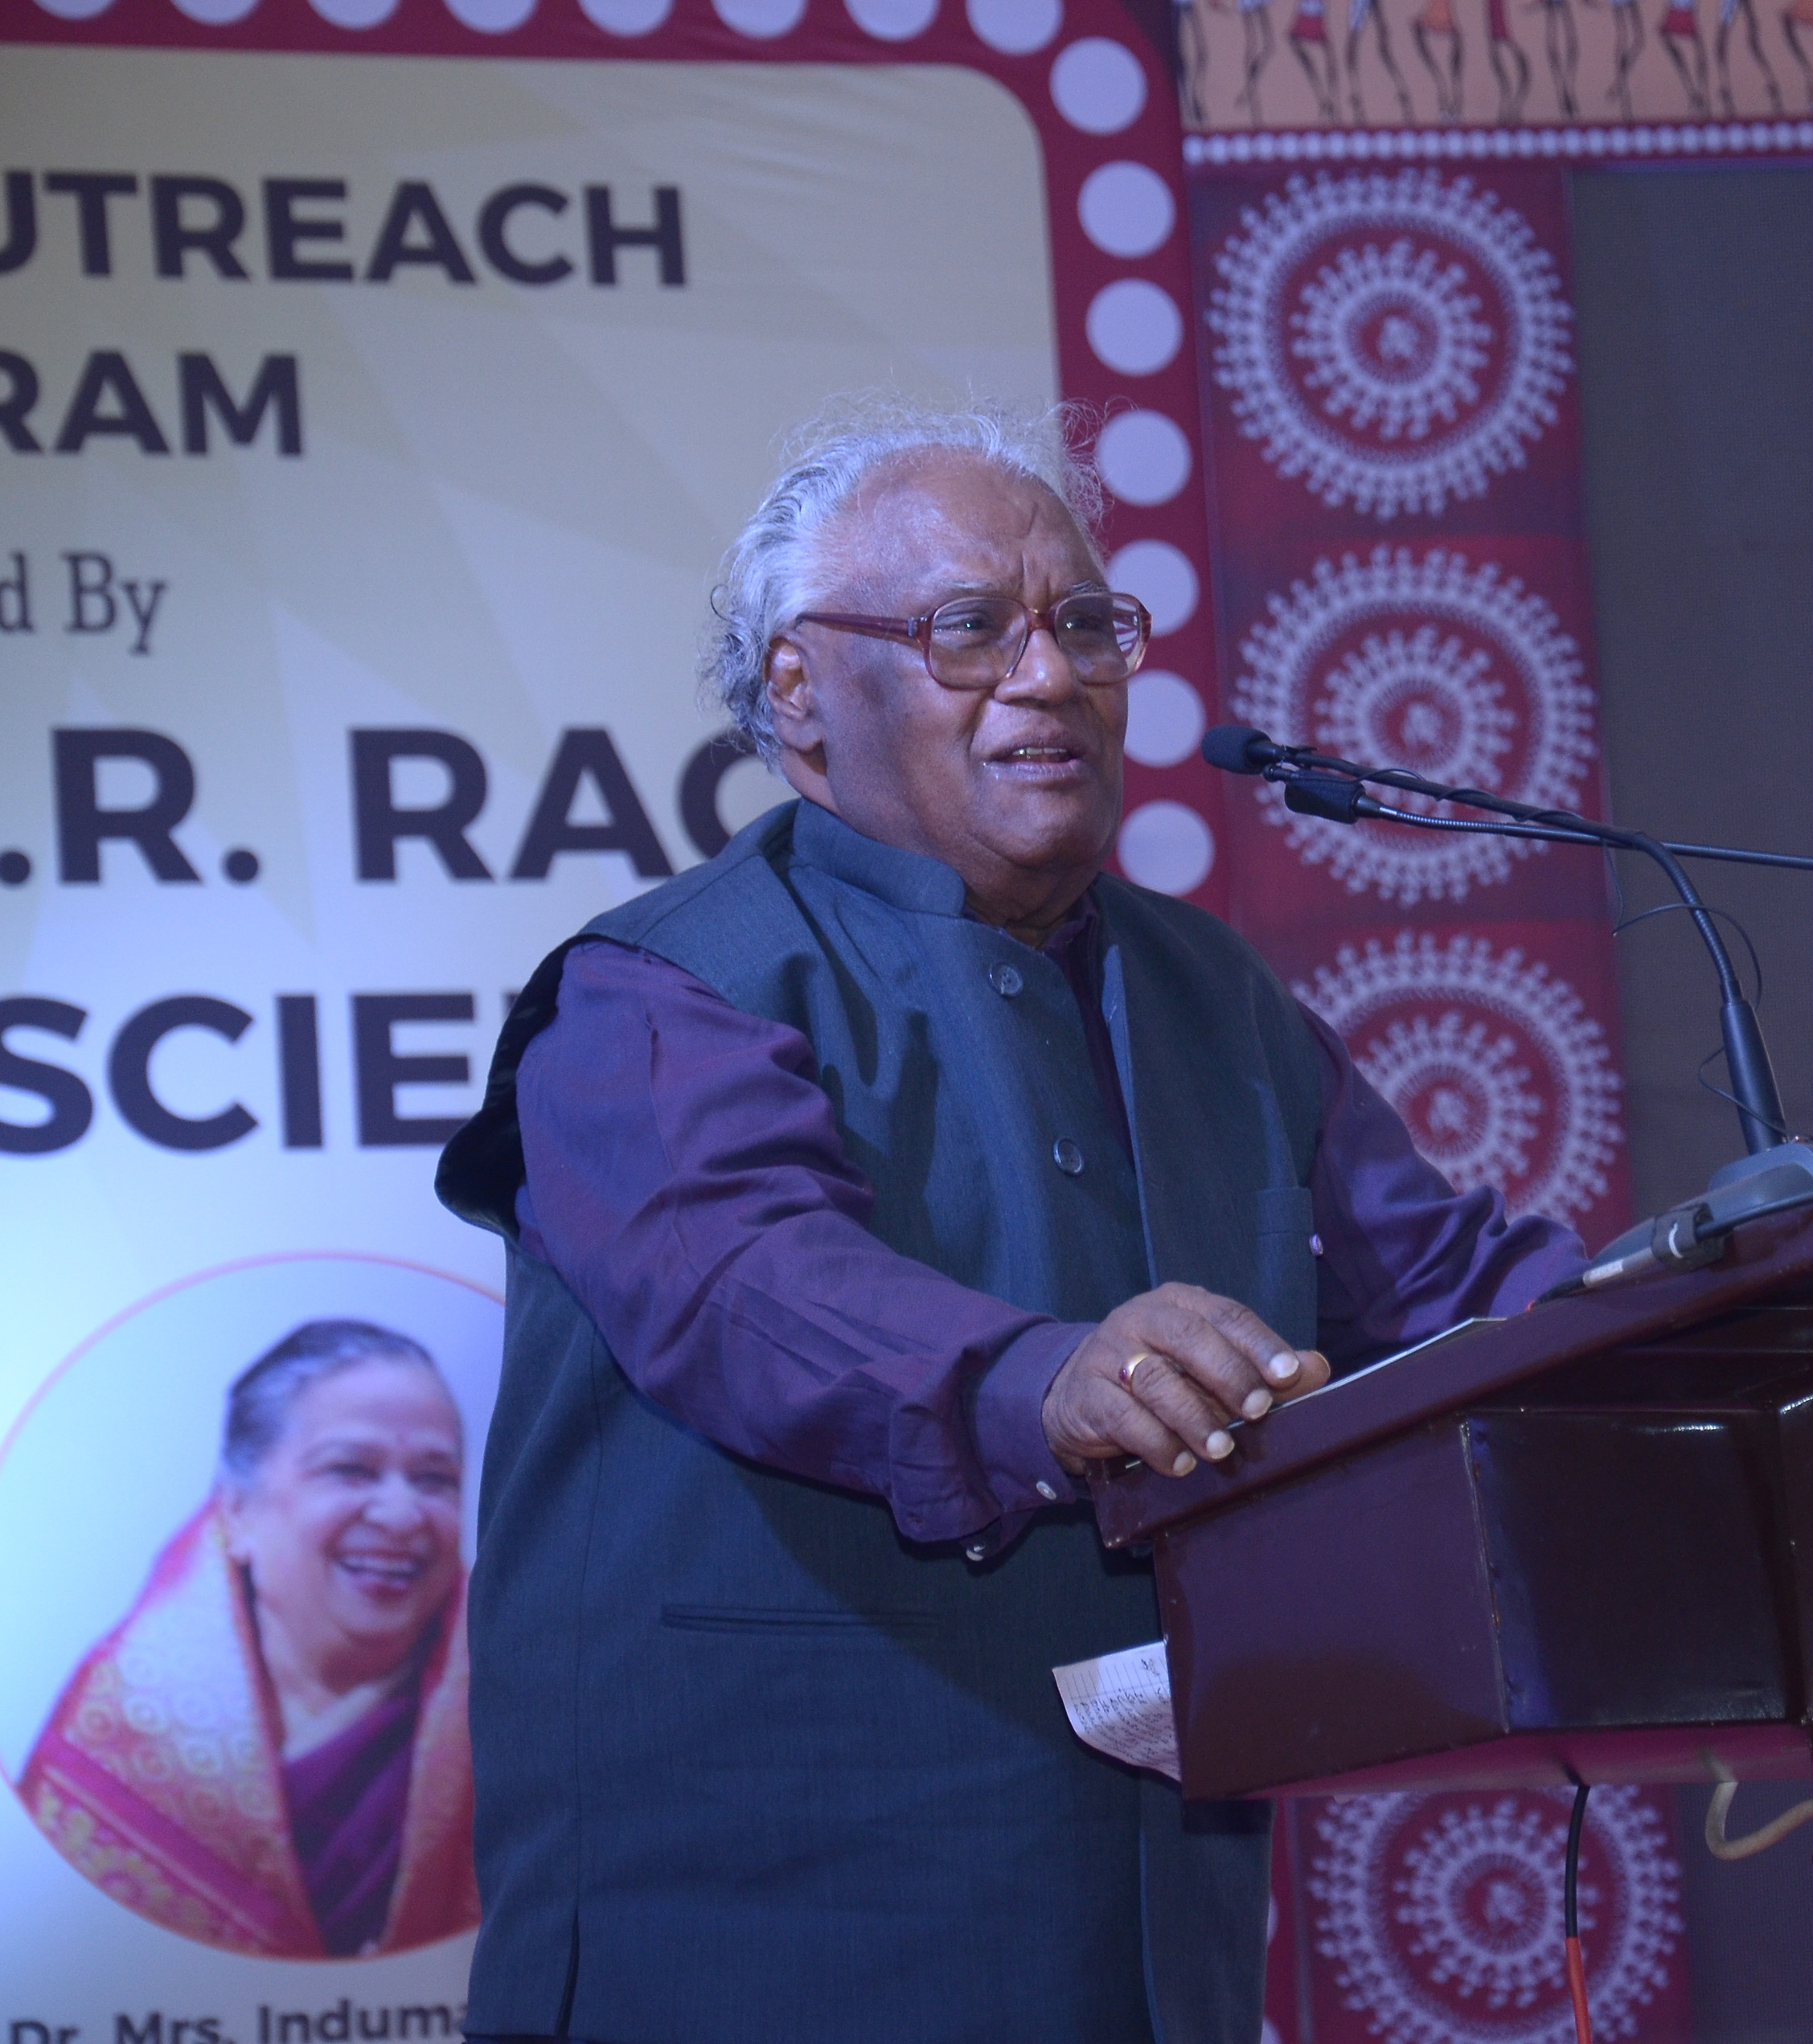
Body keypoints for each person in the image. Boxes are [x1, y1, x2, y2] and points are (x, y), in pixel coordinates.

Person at [435, 399, 1582, 2044]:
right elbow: (744, 1279)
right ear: (797, 690)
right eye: (970, 627)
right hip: (752, 1934)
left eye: (1086, 624)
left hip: (1138, 1933)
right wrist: (1036, 1376)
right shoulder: (661, 988)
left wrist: (1756, 1291)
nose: (1049, 676)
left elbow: (1459, 1295)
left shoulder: (1212, 994)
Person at [17, 1321, 475, 1957]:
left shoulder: (521, 1715)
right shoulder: (117, 1736)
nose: (402, 1515)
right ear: (237, 1511)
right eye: (351, 1469)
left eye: (435, 1479)